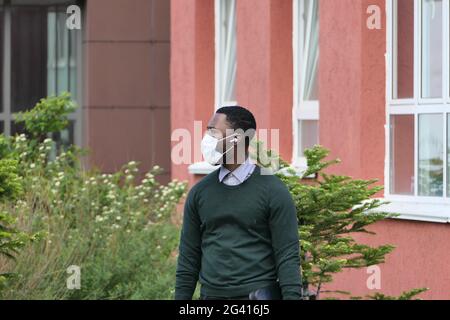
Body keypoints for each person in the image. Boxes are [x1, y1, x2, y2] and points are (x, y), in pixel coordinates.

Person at [175, 106, 302, 300]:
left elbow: (287, 256)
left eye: (214, 132)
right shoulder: (199, 193)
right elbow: (188, 257)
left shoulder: (273, 191)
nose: (207, 139)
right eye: (208, 131)